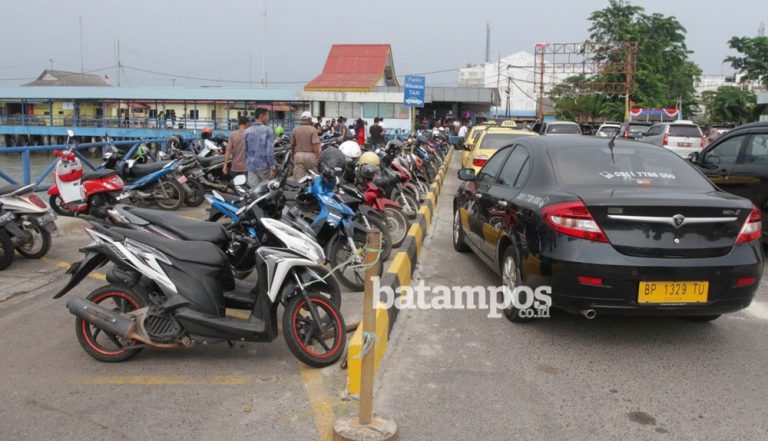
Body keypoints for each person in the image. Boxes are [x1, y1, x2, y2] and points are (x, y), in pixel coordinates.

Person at [244, 108, 275, 186]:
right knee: (266, 189)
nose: (268, 118)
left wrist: (247, 163)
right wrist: (272, 167)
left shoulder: (247, 131)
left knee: (253, 190)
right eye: (267, 116)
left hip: (251, 167)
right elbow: (269, 151)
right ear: (261, 116)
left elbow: (245, 150)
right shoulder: (268, 130)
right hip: (263, 167)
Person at [291, 111, 321, 179]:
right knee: (314, 178)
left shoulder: (295, 129)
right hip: (310, 156)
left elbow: (292, 144)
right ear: (310, 119)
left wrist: (292, 154)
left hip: (299, 156)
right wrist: (318, 156)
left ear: (301, 119)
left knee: (299, 179)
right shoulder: (313, 129)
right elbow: (315, 145)